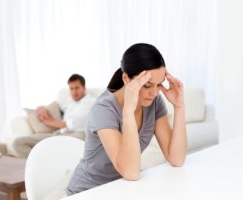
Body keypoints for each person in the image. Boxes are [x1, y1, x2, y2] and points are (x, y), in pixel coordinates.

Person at [67, 43, 187, 195]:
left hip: (121, 188)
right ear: (126, 78)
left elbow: (176, 159)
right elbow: (130, 172)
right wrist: (128, 111)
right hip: (88, 191)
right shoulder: (104, 109)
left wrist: (179, 106)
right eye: (147, 85)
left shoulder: (154, 102)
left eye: (159, 85)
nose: (155, 93)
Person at [12, 74, 95, 158]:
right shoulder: (70, 101)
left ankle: (48, 162)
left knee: (59, 146)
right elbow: (51, 106)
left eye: (77, 88)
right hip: (59, 134)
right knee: (18, 143)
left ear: (84, 88)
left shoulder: (89, 103)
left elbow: (68, 124)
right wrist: (41, 109)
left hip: (78, 135)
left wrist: (47, 121)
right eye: (71, 88)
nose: (74, 92)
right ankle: (41, 163)